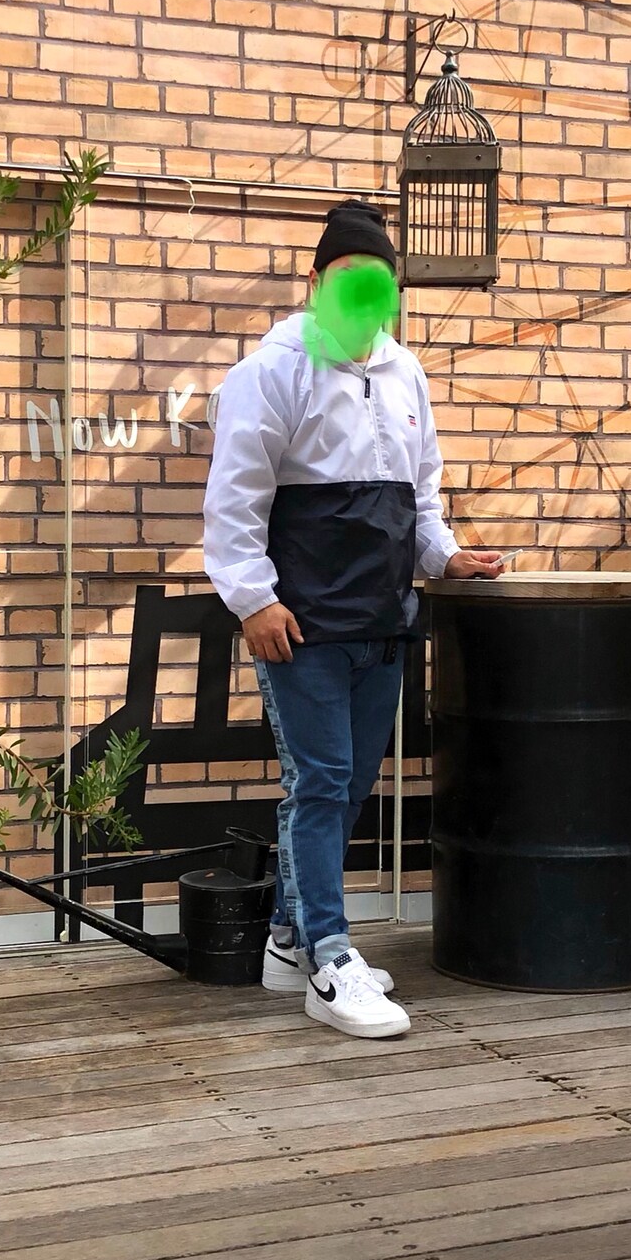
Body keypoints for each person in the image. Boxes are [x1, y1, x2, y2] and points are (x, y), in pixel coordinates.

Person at [203, 200, 503, 1039]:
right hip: (299, 626)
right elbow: (233, 501)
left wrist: (446, 558)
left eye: (378, 282)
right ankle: (329, 961)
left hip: (383, 620)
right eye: (347, 277)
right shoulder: (271, 373)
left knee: (344, 784)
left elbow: (421, 495)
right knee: (323, 783)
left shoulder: (407, 374)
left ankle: (286, 941)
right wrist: (253, 600)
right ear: (314, 282)